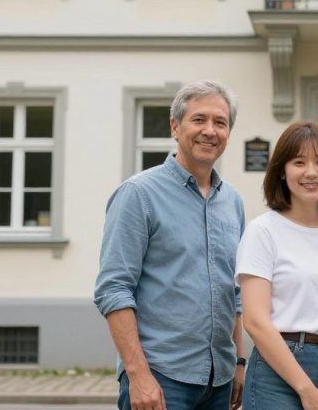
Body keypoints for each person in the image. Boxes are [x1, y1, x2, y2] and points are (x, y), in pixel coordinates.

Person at [94, 81, 247, 410]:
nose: (210, 131)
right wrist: (138, 375)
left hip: (218, 380)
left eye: (220, 122)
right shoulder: (139, 195)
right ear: (175, 127)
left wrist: (239, 363)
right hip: (161, 378)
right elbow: (114, 289)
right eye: (199, 120)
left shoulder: (232, 201)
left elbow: (234, 293)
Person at [236, 122, 318, 410]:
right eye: (299, 162)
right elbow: (255, 322)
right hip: (278, 372)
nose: (311, 172)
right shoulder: (263, 231)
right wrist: (305, 388)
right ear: (282, 171)